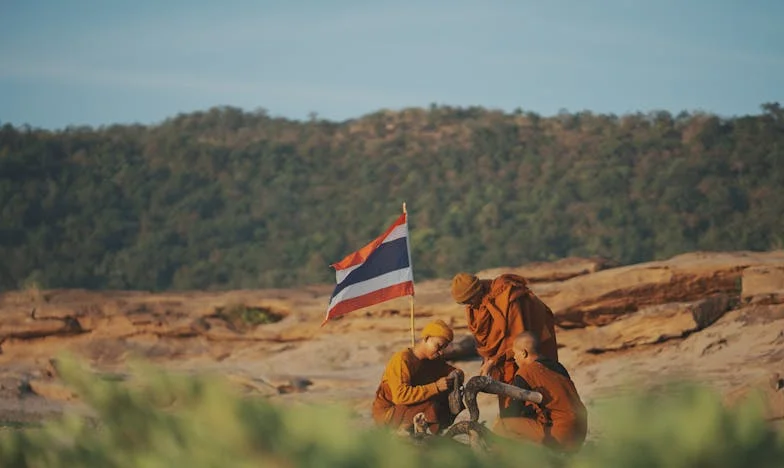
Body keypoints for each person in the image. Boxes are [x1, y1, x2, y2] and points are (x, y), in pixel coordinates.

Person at [450, 272, 559, 416]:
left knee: (534, 381)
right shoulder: (474, 307)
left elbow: (517, 339)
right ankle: (513, 421)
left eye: (470, 300)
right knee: (507, 389)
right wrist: (488, 361)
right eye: (464, 303)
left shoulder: (507, 298)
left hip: (527, 347)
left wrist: (493, 361)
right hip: (505, 356)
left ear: (478, 291)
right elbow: (489, 340)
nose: (469, 305)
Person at [492, 332, 587, 453]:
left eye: (515, 354)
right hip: (580, 429)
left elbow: (513, 412)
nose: (514, 358)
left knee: (503, 424)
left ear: (524, 353)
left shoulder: (525, 372)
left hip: (561, 432)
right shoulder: (558, 366)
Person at [371, 319, 464, 434]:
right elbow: (400, 396)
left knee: (445, 398)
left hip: (411, 408)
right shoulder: (402, 359)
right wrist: (436, 387)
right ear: (426, 338)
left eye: (443, 348)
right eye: (438, 346)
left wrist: (457, 375)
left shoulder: (433, 360)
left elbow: (450, 370)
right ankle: (409, 433)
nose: (441, 352)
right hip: (390, 413)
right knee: (432, 402)